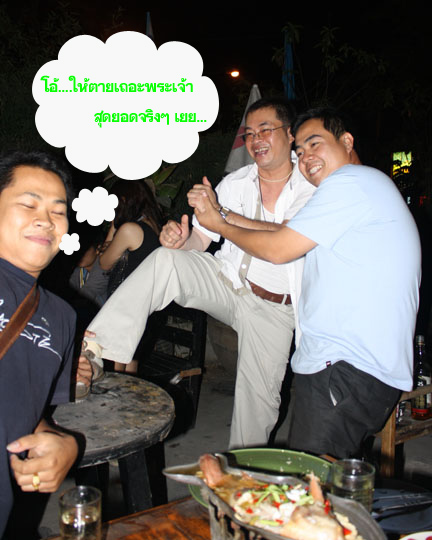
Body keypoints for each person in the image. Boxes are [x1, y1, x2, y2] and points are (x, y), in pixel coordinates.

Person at [79, 97, 315, 449]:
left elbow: (285, 238)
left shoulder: (311, 185)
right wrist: (179, 240)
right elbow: (201, 240)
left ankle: (241, 471)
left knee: (259, 406)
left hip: (274, 307)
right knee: (165, 260)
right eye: (250, 133)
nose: (256, 140)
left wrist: (223, 217)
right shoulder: (234, 183)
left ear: (290, 133)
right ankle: (95, 350)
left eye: (266, 130)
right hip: (227, 282)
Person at [191, 107, 421, 458]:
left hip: (344, 367)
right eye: (299, 151)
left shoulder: (351, 182)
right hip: (354, 374)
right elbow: (281, 234)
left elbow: (279, 248)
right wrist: (221, 217)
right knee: (334, 483)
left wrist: (220, 224)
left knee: (310, 483)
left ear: (347, 142)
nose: (306, 157)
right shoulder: (358, 195)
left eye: (315, 144)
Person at [0, 151, 78, 537]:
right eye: (28, 204)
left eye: (57, 211)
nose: (45, 220)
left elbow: (25, 410)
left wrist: (61, 443)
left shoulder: (61, 317)